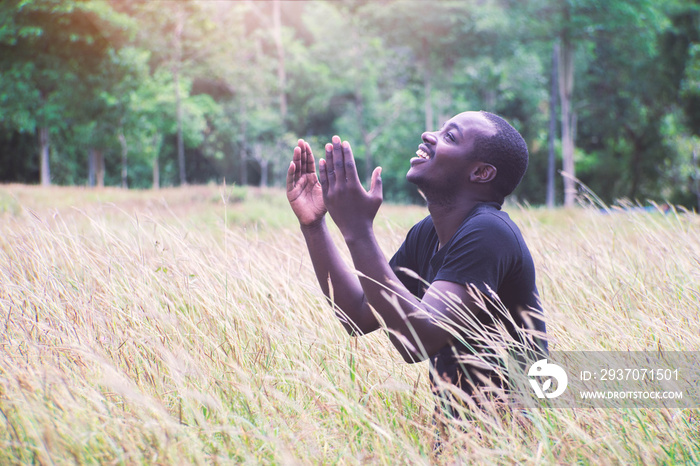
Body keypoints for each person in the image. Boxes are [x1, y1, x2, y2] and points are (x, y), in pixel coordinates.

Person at [285, 111, 547, 415]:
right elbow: (356, 315)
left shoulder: (490, 232)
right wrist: (314, 226)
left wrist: (358, 229)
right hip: (459, 439)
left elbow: (417, 341)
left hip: (513, 440)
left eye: (450, 136)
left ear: (481, 173)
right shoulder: (428, 232)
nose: (429, 135)